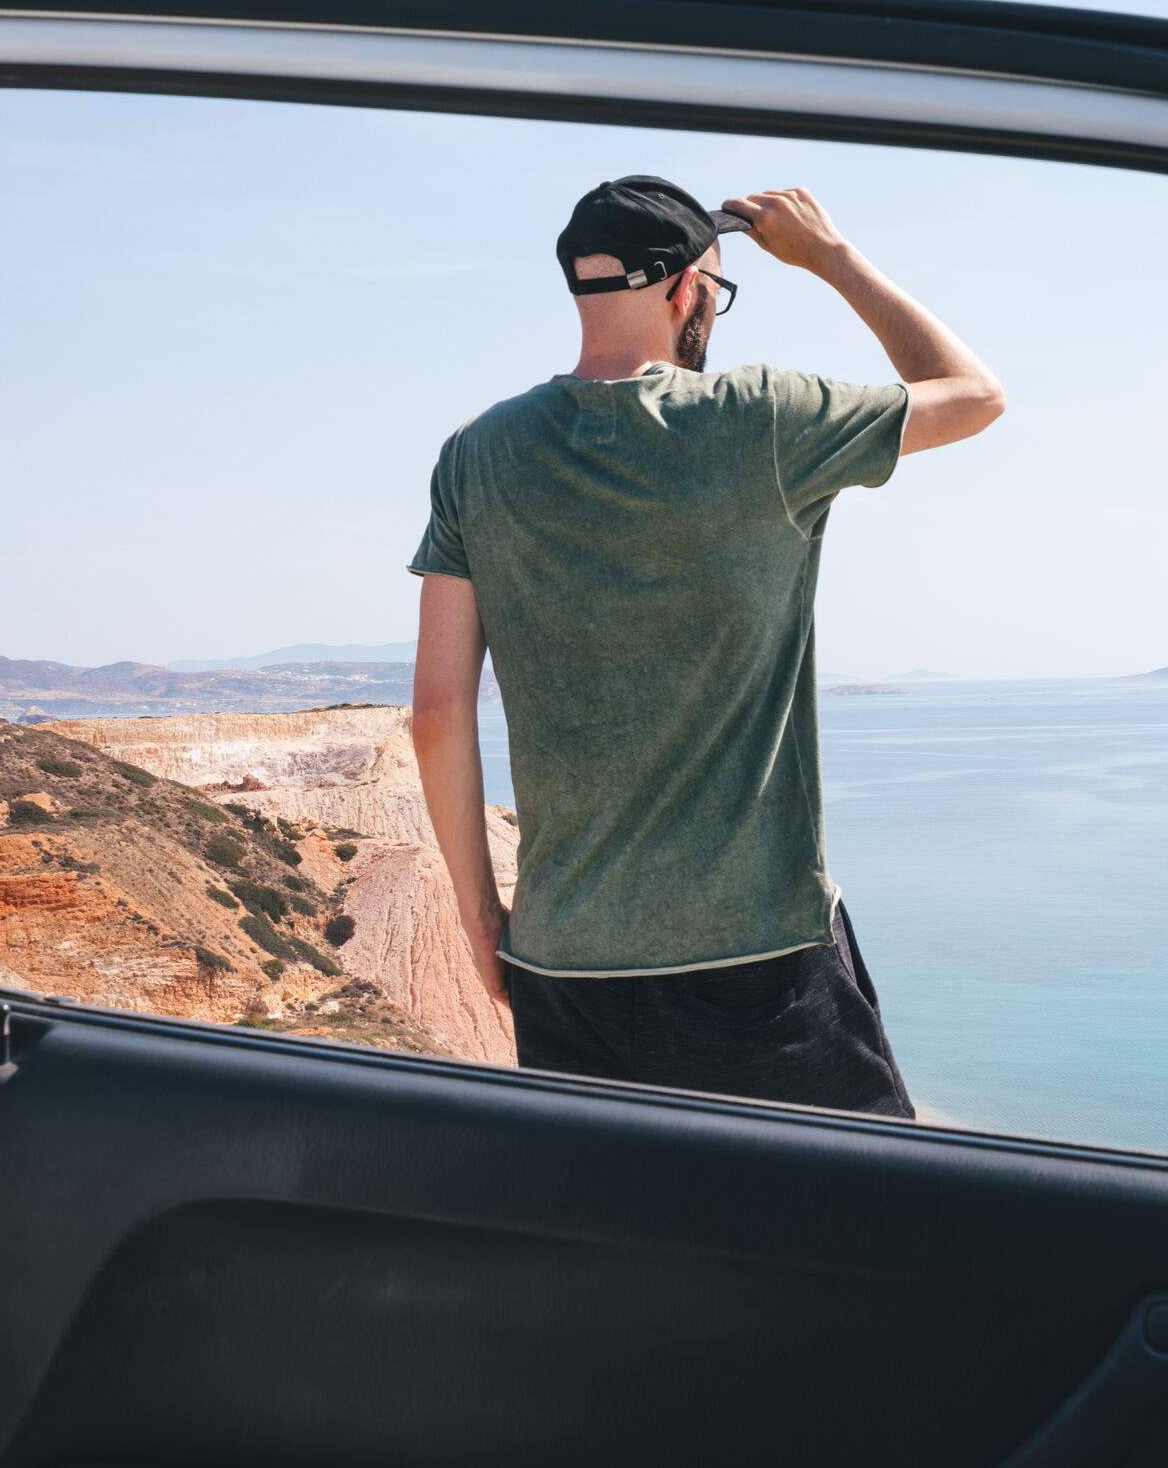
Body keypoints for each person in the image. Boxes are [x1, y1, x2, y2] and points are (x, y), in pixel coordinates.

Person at [408, 175, 1004, 1116]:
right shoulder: (762, 420)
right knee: (878, 1233)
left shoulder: (476, 455)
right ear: (688, 290)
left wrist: (482, 920)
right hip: (760, 963)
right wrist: (832, 258)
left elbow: (438, 715)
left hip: (566, 968)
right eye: (716, 296)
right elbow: (974, 394)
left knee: (624, 1253)